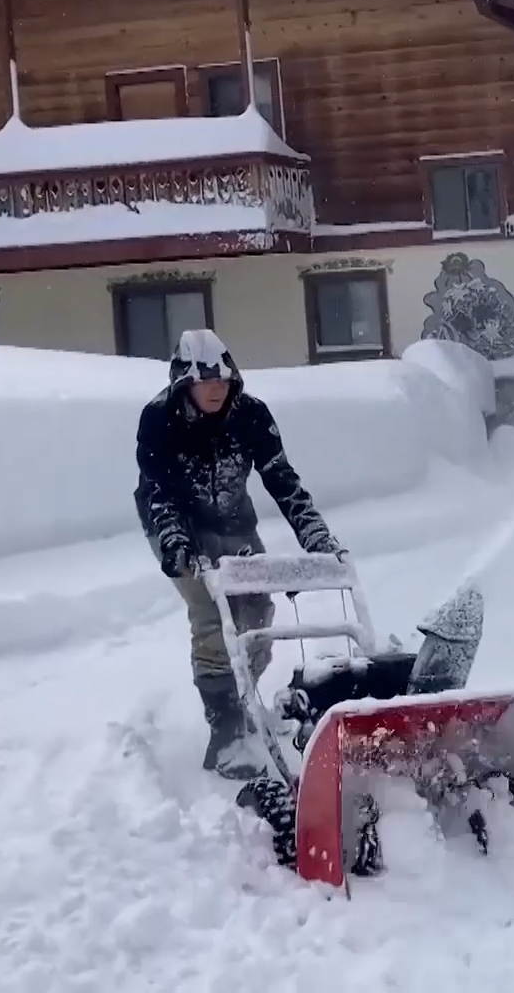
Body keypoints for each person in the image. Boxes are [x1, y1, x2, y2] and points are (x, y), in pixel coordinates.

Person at [133, 329, 344, 779]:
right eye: (206, 380)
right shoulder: (159, 418)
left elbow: (283, 481)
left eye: (224, 380)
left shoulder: (251, 415)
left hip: (234, 520)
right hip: (177, 524)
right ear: (183, 382)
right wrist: (175, 544)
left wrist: (316, 537)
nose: (216, 388)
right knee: (212, 615)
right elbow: (158, 492)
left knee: (257, 613)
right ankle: (226, 728)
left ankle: (242, 695)